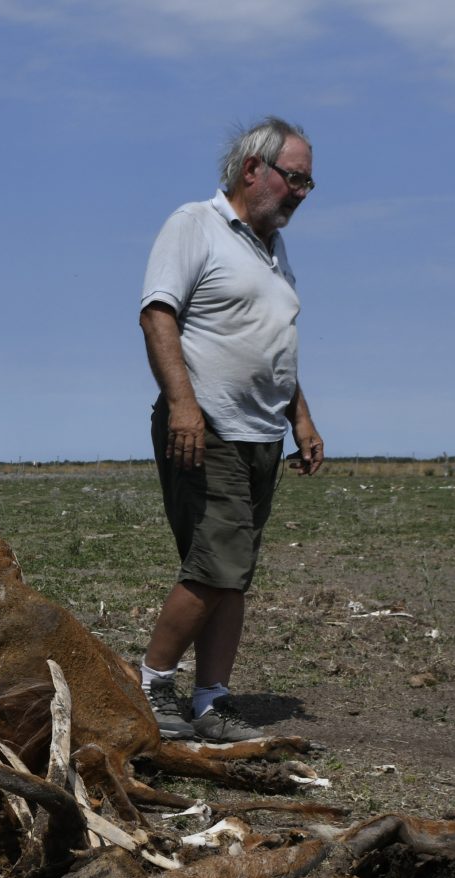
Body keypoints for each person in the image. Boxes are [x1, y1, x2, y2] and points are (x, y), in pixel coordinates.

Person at [136, 115, 324, 744]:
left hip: (261, 432)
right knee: (217, 562)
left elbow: (274, 343)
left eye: (308, 183)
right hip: (207, 424)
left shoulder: (272, 250)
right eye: (295, 177)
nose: (302, 191)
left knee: (233, 570)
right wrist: (183, 406)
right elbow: (158, 314)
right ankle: (152, 682)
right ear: (253, 170)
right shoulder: (196, 225)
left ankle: (212, 700)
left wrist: (301, 417)